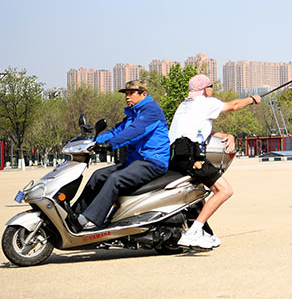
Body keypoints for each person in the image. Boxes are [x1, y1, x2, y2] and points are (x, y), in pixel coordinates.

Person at [169, 74, 260, 249]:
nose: (212, 90)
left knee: (198, 194)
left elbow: (198, 130)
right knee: (224, 190)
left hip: (176, 156)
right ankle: (194, 232)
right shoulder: (205, 103)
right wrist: (252, 99)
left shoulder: (184, 105)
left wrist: (225, 135)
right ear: (204, 89)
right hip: (192, 157)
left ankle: (205, 233)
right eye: (210, 86)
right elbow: (233, 106)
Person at [73, 80, 170, 230]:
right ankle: (74, 214)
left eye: (131, 93)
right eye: (126, 94)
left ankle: (89, 219)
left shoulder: (151, 110)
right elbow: (116, 131)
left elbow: (134, 132)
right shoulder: (133, 114)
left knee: (115, 179)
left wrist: (110, 144)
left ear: (144, 94)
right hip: (135, 162)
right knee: (98, 175)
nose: (127, 97)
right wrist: (92, 141)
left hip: (152, 161)